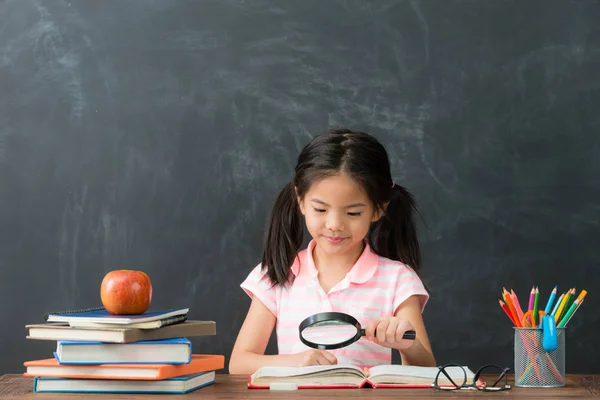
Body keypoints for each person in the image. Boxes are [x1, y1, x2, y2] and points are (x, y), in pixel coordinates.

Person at [229, 128, 436, 374]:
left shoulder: (397, 279)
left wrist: (407, 345)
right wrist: (294, 362)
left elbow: (427, 370)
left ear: (379, 209)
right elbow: (239, 363)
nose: (335, 225)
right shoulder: (277, 273)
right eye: (320, 209)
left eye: (353, 213)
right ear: (301, 200)